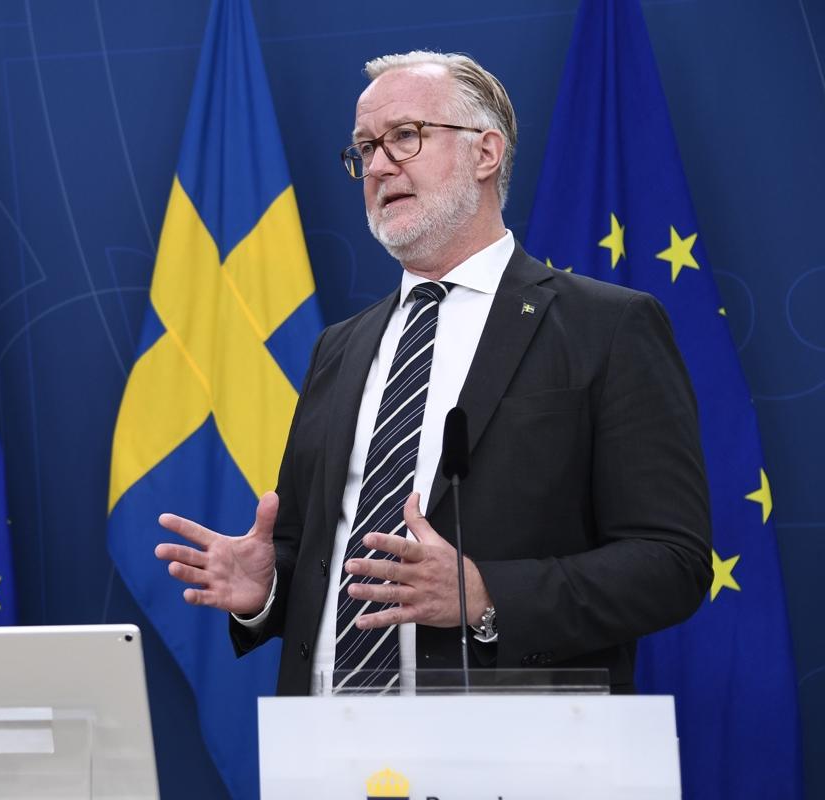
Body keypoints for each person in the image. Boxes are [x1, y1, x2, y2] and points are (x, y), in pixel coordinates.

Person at [155, 51, 711, 695]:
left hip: (517, 750)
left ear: (486, 153)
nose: (379, 165)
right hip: (329, 746)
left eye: (405, 137)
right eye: (364, 148)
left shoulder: (606, 327)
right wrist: (269, 587)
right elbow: (314, 552)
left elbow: (671, 563)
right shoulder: (338, 348)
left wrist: (483, 593)